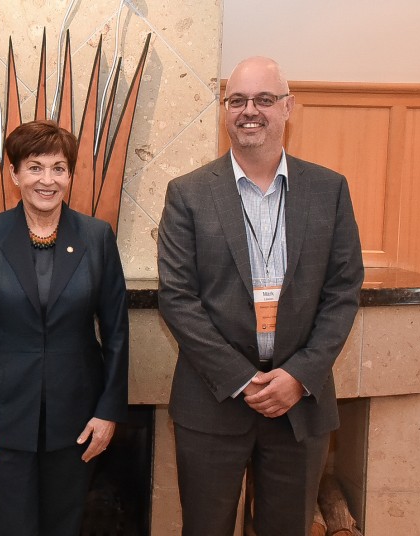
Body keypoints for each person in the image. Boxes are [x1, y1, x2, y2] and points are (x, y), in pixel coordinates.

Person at [156, 57, 364, 536]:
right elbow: (179, 299)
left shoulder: (329, 190)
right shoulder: (187, 194)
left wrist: (298, 375)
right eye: (237, 100)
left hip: (299, 404)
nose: (250, 111)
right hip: (212, 402)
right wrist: (244, 378)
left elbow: (342, 292)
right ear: (224, 110)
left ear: (288, 107)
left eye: (264, 99)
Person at [0, 120, 129, 536]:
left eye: (58, 168)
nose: (47, 180)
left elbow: (117, 331)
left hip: (77, 419)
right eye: (35, 167)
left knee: (63, 526)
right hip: (1, 419)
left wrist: (108, 411)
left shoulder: (97, 236)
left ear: (70, 175)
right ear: (14, 174)